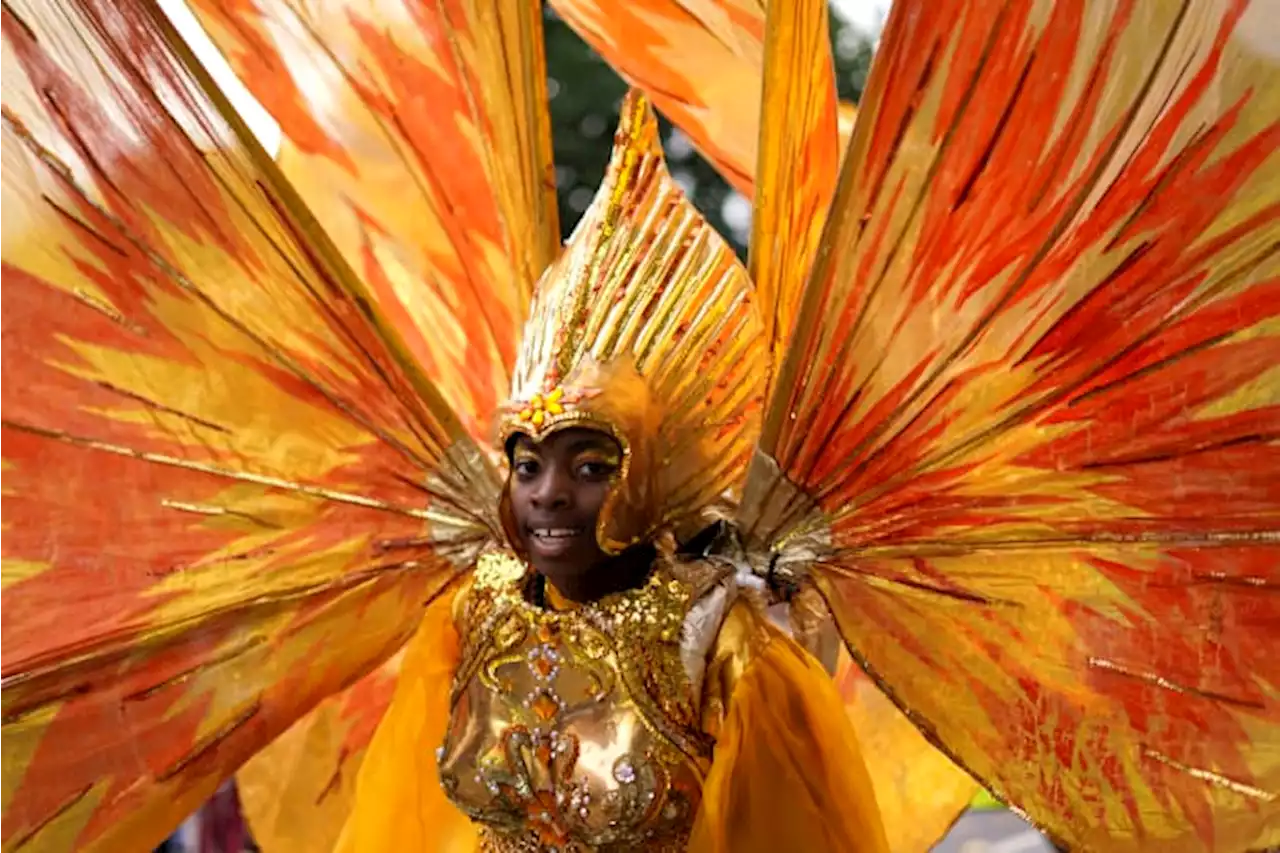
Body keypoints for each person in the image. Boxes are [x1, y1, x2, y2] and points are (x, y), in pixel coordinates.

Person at [1, 1, 1277, 852]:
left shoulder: (726, 649)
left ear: (651, 474)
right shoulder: (470, 613)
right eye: (528, 458)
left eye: (587, 463)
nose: (548, 493)